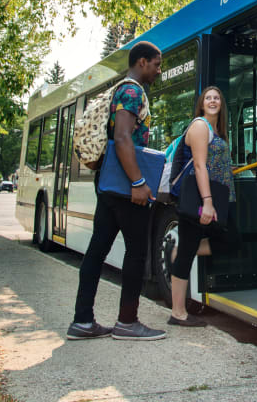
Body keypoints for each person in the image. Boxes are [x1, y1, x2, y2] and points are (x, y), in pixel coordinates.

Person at [67, 41, 166, 341]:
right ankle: (127, 322)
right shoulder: (132, 91)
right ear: (141, 62)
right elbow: (123, 138)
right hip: (125, 187)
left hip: (109, 184)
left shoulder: (120, 89)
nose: (158, 72)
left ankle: (82, 321)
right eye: (156, 65)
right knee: (136, 253)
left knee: (97, 251)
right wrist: (138, 182)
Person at [167, 86, 237, 327]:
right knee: (187, 251)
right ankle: (178, 313)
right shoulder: (199, 126)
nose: (213, 100)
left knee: (229, 239)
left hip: (216, 198)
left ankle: (181, 250)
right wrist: (207, 202)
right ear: (201, 103)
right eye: (208, 97)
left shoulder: (217, 130)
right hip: (199, 198)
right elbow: (199, 166)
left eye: (217, 97)